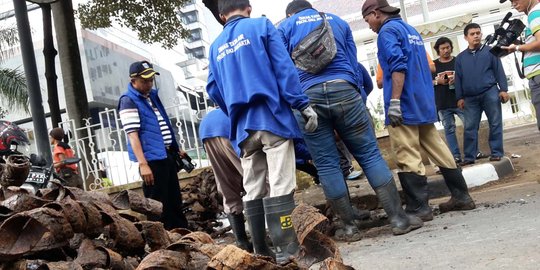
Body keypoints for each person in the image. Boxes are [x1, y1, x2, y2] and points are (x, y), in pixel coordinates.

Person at [279, 0, 422, 242]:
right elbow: (353, 63)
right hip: (344, 90)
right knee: (369, 155)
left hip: (307, 100)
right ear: (312, 9)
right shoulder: (337, 21)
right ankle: (398, 219)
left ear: (291, 14)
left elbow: (282, 69)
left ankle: (349, 228)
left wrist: (297, 103)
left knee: (326, 165)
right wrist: (355, 94)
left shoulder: (284, 28)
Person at [206, 0, 318, 263]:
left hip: (242, 126)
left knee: (253, 186)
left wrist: (233, 108)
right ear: (248, 8)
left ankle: (260, 250)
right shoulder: (261, 26)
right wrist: (301, 103)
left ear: (222, 16)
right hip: (271, 117)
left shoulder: (215, 46)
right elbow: (283, 67)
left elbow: (212, 88)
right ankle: (286, 249)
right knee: (280, 183)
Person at [362, 0, 476, 218]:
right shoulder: (410, 30)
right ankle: (462, 196)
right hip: (422, 102)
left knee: (407, 153)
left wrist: (394, 102)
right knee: (437, 147)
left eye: (367, 20)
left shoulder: (387, 32)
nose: (369, 26)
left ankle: (419, 207)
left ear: (375, 13)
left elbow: (397, 65)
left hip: (403, 104)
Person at [118, 60, 188, 230]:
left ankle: (182, 235)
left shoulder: (152, 96)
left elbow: (162, 124)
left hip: (166, 156)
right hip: (151, 160)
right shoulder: (128, 101)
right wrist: (143, 164)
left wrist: (175, 148)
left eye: (150, 80)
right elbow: (133, 135)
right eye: (144, 81)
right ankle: (161, 240)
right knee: (157, 205)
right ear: (133, 80)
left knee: (174, 200)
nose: (149, 84)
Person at [455, 23, 510, 166]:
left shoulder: (490, 51)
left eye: (478, 33)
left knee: (495, 122)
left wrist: (503, 89)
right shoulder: (460, 58)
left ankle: (497, 153)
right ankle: (469, 157)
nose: (476, 36)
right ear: (466, 37)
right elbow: (458, 79)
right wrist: (460, 97)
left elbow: (499, 70)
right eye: (472, 34)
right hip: (470, 98)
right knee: (470, 127)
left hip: (490, 92)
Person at [199, 108, 252, 252]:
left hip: (207, 129)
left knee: (226, 185)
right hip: (228, 127)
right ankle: (264, 241)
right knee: (257, 182)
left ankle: (241, 242)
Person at [432, 37, 489, 163]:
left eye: (448, 47)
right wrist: (437, 81)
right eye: (442, 48)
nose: (446, 50)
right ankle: (455, 156)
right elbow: (425, 82)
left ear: (451, 48)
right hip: (442, 103)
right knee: (449, 129)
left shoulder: (459, 61)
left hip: (460, 100)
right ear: (438, 50)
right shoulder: (433, 65)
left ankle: (475, 152)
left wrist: (458, 80)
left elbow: (469, 77)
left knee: (470, 126)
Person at [502, 0, 540, 132]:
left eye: (515, 0)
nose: (513, 4)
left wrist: (517, 47)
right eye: (511, 2)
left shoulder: (535, 13)